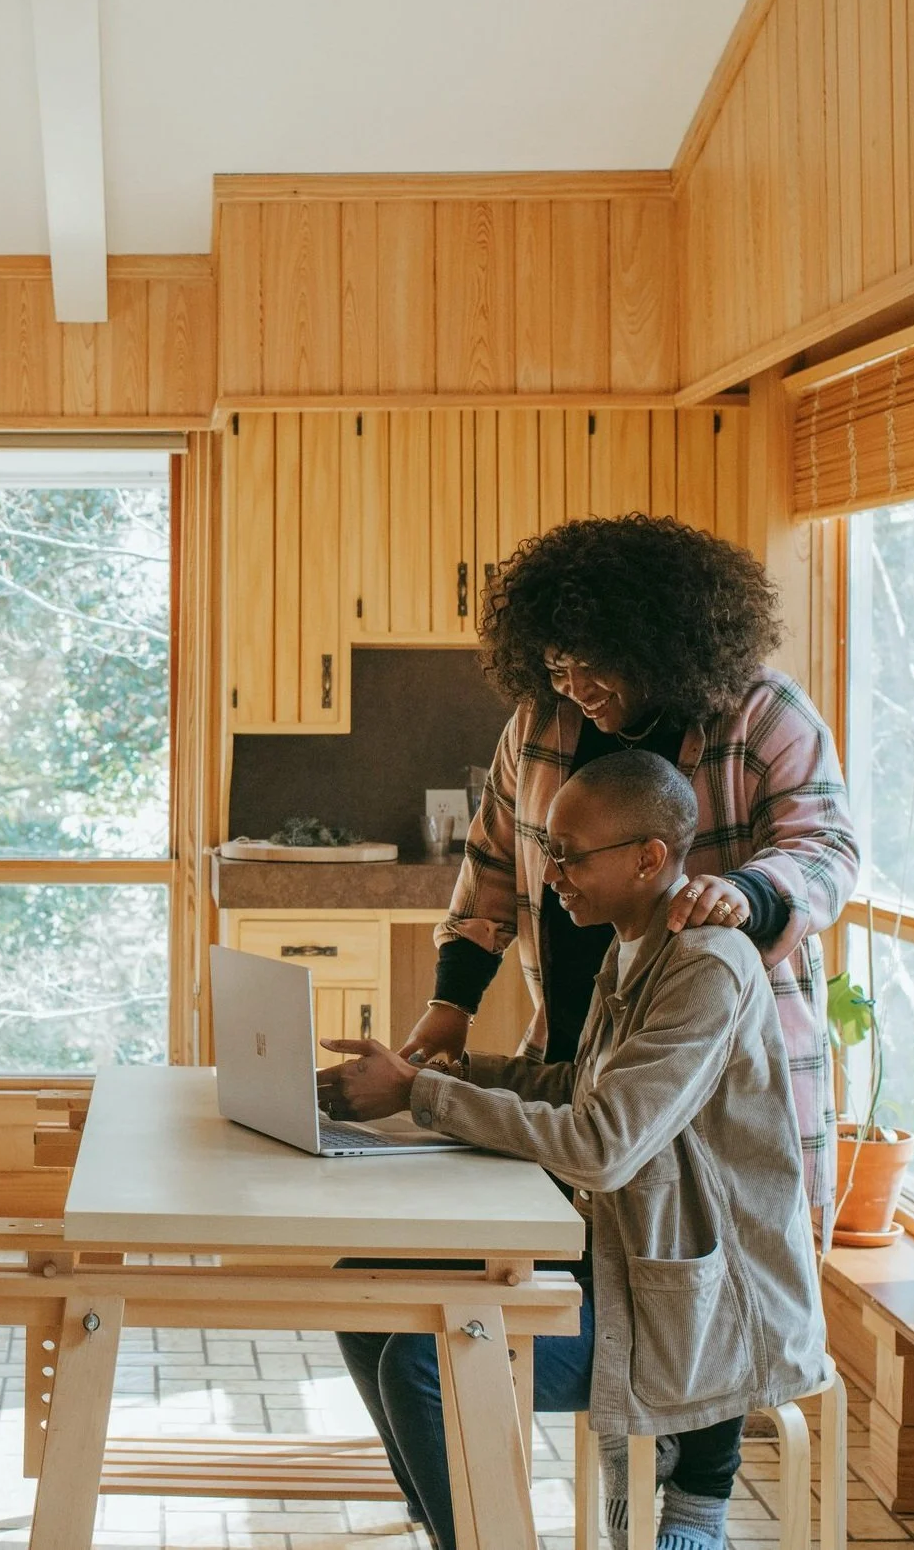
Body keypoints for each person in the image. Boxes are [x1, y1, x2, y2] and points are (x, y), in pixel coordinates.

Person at [318, 751, 829, 1550]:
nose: (550, 875)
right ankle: (452, 1516)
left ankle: (568, 1510)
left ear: (648, 858)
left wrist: (421, 1095)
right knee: (365, 1291)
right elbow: (578, 1086)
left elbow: (601, 1143)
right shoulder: (630, 945)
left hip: (694, 1309)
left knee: (420, 1363)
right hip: (622, 1257)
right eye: (548, 852)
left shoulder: (705, 965)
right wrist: (446, 1073)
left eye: (570, 856)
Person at [399, 514, 859, 1214]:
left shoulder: (763, 713)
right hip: (577, 1055)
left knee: (714, 1259)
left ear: (654, 642)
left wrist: (746, 893)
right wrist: (449, 1006)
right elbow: (489, 865)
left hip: (716, 1079)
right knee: (566, 1248)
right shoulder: (540, 721)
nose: (576, 685)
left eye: (595, 663)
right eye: (558, 666)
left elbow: (826, 847)